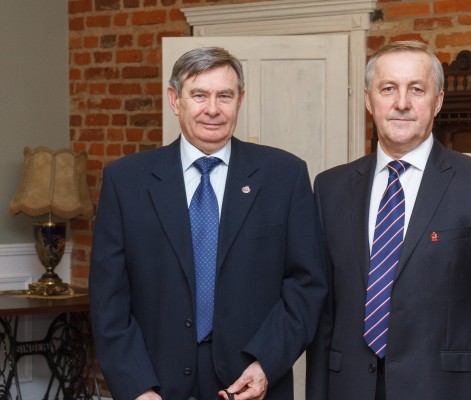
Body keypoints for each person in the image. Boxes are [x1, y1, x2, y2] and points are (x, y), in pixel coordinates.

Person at [89, 47, 326, 400]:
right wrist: (137, 386)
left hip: (250, 382)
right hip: (155, 384)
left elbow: (306, 285)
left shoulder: (285, 175)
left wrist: (267, 363)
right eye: (199, 95)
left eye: (224, 96)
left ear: (240, 100)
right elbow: (108, 300)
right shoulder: (126, 181)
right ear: (175, 100)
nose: (212, 109)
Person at [306, 40, 471, 399]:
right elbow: (323, 315)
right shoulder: (330, 188)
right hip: (350, 387)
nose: (401, 103)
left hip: (446, 389)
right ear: (369, 100)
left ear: (437, 101)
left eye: (416, 89)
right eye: (388, 89)